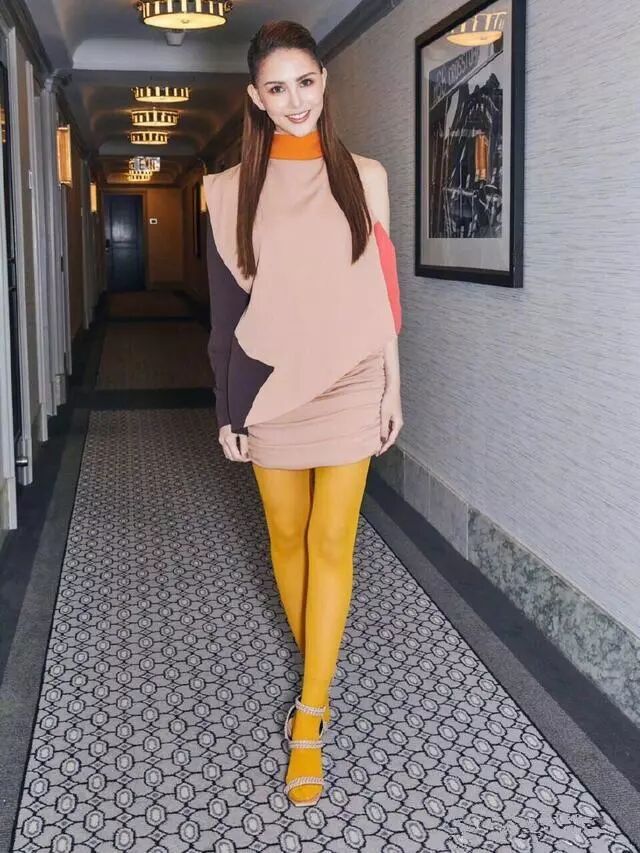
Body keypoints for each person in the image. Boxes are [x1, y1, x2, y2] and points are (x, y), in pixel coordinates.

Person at [203, 19, 403, 807]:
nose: (295, 101)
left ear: (326, 80)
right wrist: (226, 406)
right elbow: (225, 312)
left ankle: (309, 717)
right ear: (255, 98)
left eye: (306, 82)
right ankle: (318, 661)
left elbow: (384, 294)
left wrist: (393, 386)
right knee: (286, 537)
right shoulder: (226, 189)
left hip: (352, 378)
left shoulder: (366, 176)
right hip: (269, 384)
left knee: (332, 541)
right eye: (277, 88)